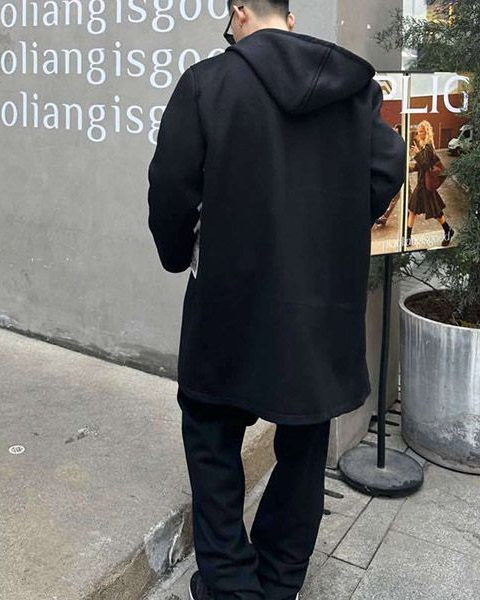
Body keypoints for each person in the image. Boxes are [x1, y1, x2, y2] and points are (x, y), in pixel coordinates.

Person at [147, 2, 406, 599]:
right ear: (289, 20)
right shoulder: (351, 88)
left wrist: (178, 252)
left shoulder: (207, 84)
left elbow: (170, 187)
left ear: (239, 12)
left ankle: (231, 585)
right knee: (305, 442)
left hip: (228, 302)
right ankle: (280, 578)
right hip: (320, 306)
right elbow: (387, 164)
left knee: (211, 436)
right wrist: (339, 228)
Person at [407, 120, 455, 247]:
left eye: (421, 131)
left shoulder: (428, 147)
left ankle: (448, 231)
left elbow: (425, 164)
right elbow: (421, 166)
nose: (419, 134)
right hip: (422, 184)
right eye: (418, 132)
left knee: (436, 212)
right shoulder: (424, 146)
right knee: (412, 210)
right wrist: (410, 167)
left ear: (426, 132)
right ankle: (407, 238)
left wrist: (417, 153)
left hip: (426, 186)